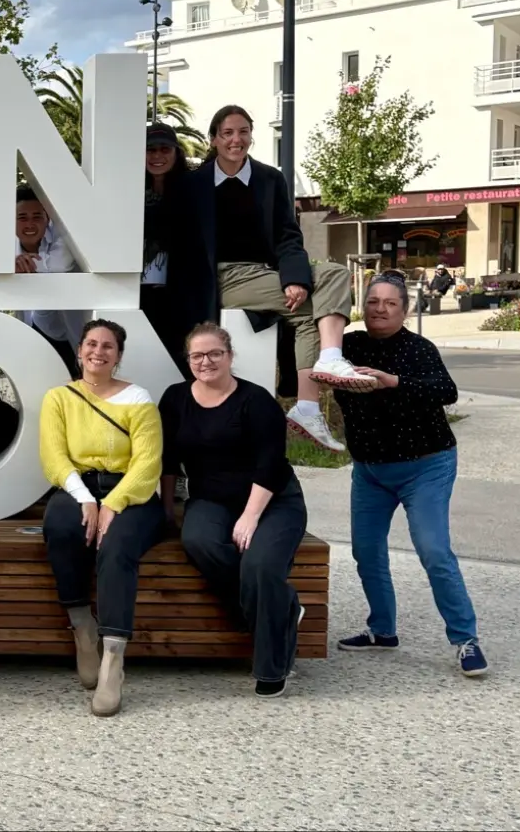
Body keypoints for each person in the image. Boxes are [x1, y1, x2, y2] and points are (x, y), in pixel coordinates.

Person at [176, 105, 372, 452]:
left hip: (265, 273)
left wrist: (293, 278)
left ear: (251, 135)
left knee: (319, 299)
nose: (236, 140)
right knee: (327, 288)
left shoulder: (269, 179)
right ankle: (324, 371)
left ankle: (310, 404)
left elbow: (287, 235)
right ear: (214, 139)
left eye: (243, 132)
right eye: (227, 133)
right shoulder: (194, 185)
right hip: (224, 279)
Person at [335, 271, 487, 677]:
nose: (380, 309)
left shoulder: (418, 348)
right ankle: (382, 630)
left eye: (390, 303)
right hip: (370, 470)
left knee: (434, 551)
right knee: (366, 552)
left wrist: (393, 383)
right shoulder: (346, 346)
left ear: (405, 310)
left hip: (427, 466)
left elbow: (446, 391)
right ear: (362, 306)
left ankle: (465, 639)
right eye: (373, 302)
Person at [161, 323, 309, 697]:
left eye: (214, 354)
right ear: (188, 359)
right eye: (197, 355)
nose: (205, 361)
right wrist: (166, 511)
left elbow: (271, 463)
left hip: (273, 499)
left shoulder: (255, 400)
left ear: (229, 357)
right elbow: (167, 462)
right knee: (198, 541)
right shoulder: (175, 399)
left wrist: (250, 516)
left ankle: (271, 667)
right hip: (210, 499)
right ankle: (284, 606)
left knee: (260, 565)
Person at [38, 319, 164, 716]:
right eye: (91, 343)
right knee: (60, 527)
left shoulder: (139, 398)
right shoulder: (59, 398)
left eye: (108, 346)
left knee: (116, 545)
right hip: (77, 487)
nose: (98, 351)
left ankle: (113, 658)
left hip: (133, 493)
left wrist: (114, 502)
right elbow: (54, 457)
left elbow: (148, 463)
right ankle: (82, 626)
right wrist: (85, 499)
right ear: (79, 350)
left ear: (119, 355)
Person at [14, 187, 85, 379]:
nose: (30, 224)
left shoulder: (63, 237)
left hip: (74, 329)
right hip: (38, 329)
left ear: (48, 219)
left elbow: (59, 265)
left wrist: (22, 261)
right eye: (22, 217)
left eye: (37, 216)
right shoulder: (5, 247)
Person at [139, 124, 194, 374]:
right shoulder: (132, 190)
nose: (157, 156)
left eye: (164, 149)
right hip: (139, 291)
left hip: (179, 291)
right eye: (150, 150)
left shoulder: (192, 188)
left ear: (176, 153)